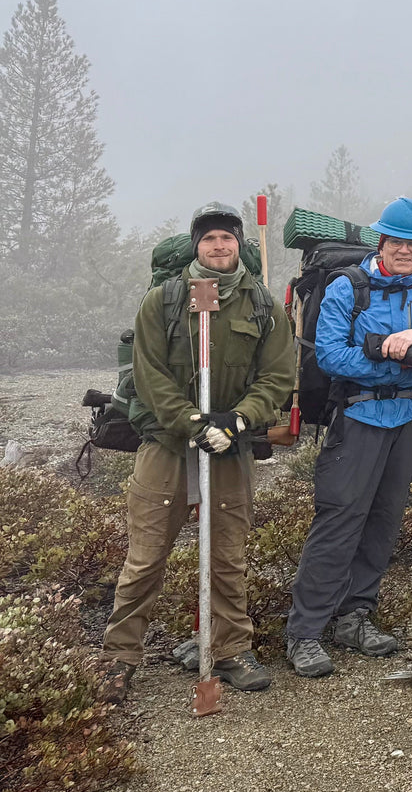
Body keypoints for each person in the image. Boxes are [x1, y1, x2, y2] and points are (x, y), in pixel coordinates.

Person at [101, 203, 295, 702]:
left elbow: (277, 377)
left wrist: (237, 420)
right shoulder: (163, 302)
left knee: (227, 557)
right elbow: (148, 374)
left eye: (227, 238)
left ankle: (230, 650)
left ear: (238, 244)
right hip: (167, 445)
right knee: (145, 559)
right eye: (209, 239)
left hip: (230, 448)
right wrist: (190, 422)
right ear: (196, 246)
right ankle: (119, 659)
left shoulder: (263, 305)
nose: (219, 246)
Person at [284, 198, 412, 678]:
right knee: (339, 520)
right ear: (381, 242)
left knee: (384, 521)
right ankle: (304, 632)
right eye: (397, 241)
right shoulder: (349, 288)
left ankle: (354, 616)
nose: (405, 251)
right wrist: (389, 352)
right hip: (359, 416)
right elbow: (329, 356)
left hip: (409, 418)